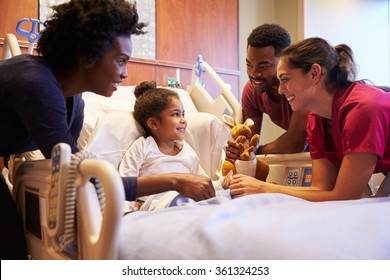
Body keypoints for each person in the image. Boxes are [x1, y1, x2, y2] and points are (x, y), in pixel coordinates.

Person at [0, 0, 214, 259]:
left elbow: (77, 174)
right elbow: (86, 178)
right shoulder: (36, 83)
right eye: (121, 61)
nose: (125, 74)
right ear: (86, 56)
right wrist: (174, 180)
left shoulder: (74, 103)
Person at [228, 37, 390, 201]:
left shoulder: (362, 109)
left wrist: (264, 188)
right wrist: (262, 188)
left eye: (285, 79)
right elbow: (321, 189)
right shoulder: (315, 122)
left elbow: (345, 195)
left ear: (314, 73)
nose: (281, 90)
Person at [119, 81, 228, 211]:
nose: (183, 120)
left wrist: (223, 184)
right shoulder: (143, 147)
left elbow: (203, 183)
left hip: (189, 202)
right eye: (176, 114)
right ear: (153, 123)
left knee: (226, 197)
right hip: (157, 206)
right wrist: (126, 213)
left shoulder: (186, 150)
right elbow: (125, 183)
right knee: (180, 199)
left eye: (183, 114)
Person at [226, 24, 308, 163]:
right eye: (249, 65)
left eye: (263, 66)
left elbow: (295, 143)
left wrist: (257, 150)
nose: (254, 74)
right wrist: (238, 150)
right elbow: (248, 142)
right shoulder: (252, 92)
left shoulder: (302, 86)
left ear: (284, 59)